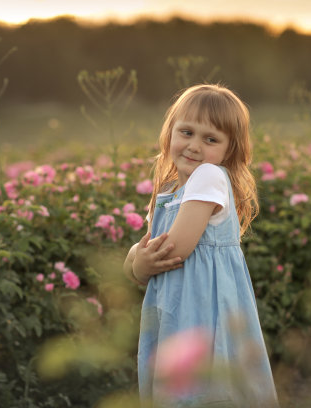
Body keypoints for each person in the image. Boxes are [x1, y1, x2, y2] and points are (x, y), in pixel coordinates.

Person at [123, 84, 278, 407]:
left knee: (204, 389)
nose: (194, 146)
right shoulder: (169, 193)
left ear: (228, 150)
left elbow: (172, 250)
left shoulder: (209, 176)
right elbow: (140, 258)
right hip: (176, 307)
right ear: (170, 134)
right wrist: (138, 262)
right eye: (187, 132)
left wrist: (140, 262)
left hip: (204, 309)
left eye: (210, 139)